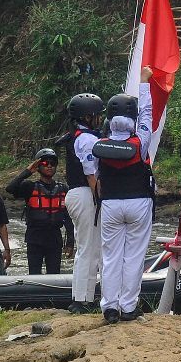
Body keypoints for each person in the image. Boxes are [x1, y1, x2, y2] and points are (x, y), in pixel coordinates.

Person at [94, 66, 155, 324]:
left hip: (110, 205)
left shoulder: (100, 145)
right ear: (132, 119)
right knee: (134, 257)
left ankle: (109, 307)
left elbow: (96, 175)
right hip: (139, 203)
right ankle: (128, 307)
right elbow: (148, 116)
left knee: (110, 257)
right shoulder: (140, 143)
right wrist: (144, 82)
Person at [57, 92, 104, 313]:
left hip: (80, 194)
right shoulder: (86, 139)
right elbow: (91, 173)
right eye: (96, 115)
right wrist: (101, 199)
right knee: (88, 248)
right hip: (85, 193)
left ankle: (85, 296)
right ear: (87, 117)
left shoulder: (79, 135)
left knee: (90, 248)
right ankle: (81, 299)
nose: (100, 119)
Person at [5, 148, 72, 275]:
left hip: (54, 239)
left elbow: (68, 217)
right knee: (34, 273)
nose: (50, 166)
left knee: (54, 274)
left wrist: (70, 242)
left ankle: (51, 295)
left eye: (53, 163)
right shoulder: (29, 187)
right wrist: (28, 171)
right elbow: (10, 188)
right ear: (39, 166)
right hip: (35, 238)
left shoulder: (63, 189)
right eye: (46, 163)